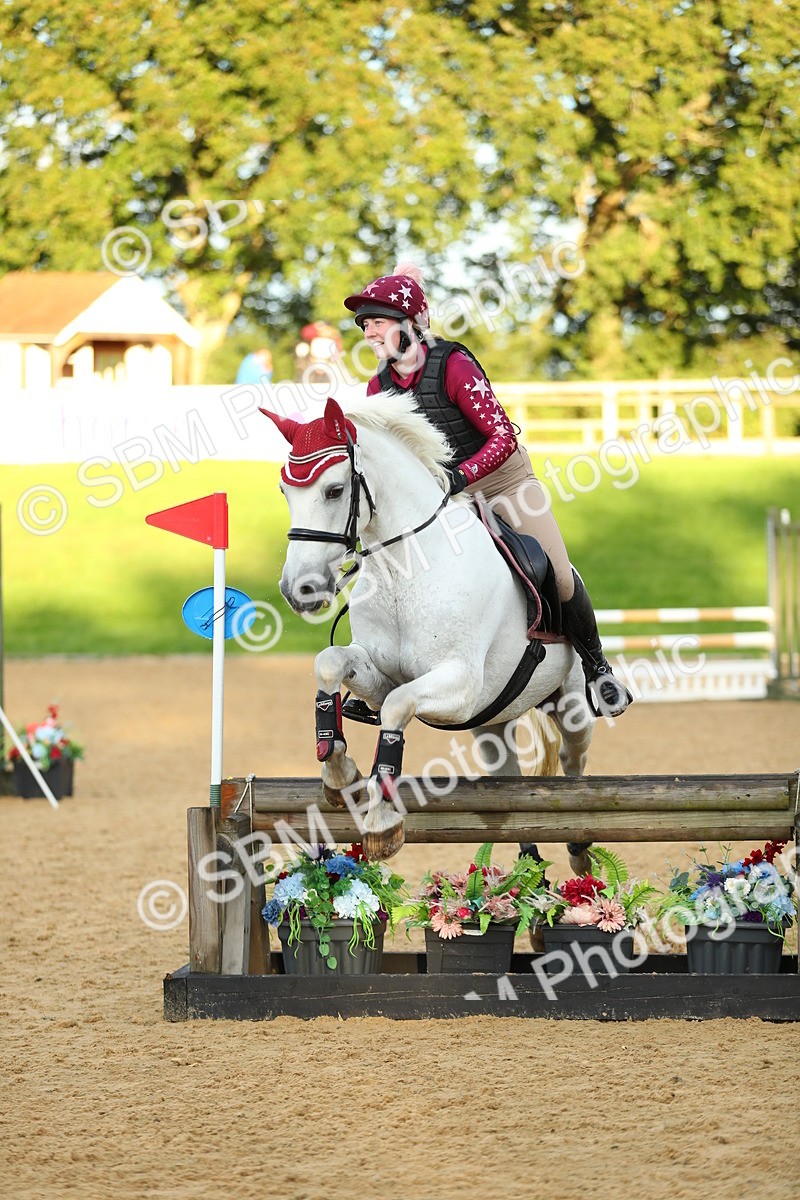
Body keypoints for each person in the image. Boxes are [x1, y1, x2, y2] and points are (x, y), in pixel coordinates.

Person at [343, 264, 633, 718]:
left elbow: (502, 437)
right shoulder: (378, 385)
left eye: (377, 321)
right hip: (443, 496)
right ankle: (388, 678)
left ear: (408, 325)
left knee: (554, 570)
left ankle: (597, 670)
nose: (369, 332)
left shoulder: (454, 365)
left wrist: (460, 477)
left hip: (503, 481)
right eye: (365, 324)